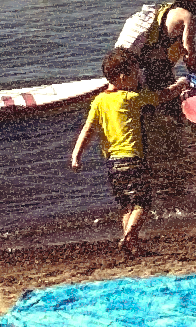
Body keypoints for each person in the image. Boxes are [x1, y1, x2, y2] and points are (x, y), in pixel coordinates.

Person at [70, 47, 187, 256]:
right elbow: (162, 96)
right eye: (135, 74)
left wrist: (76, 155)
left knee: (126, 204)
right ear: (123, 77)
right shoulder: (131, 98)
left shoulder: (99, 101)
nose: (138, 78)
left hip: (112, 162)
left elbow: (88, 130)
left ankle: (131, 246)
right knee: (143, 202)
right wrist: (181, 85)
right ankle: (128, 237)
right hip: (133, 158)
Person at [132, 0, 196, 95]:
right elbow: (189, 50)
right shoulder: (188, 17)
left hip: (147, 62)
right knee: (167, 100)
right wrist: (195, 74)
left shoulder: (168, 10)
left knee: (152, 97)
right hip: (162, 67)